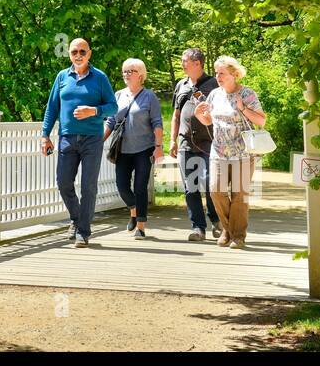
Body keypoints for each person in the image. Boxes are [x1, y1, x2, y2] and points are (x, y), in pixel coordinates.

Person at [41, 37, 120, 248]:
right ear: (69, 54)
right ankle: (76, 219)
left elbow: (113, 107)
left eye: (82, 52)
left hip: (92, 139)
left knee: (88, 187)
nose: (78, 55)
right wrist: (45, 135)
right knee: (63, 182)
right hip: (67, 138)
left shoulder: (99, 78)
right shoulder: (62, 77)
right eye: (74, 52)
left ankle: (83, 232)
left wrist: (93, 111)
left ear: (89, 54)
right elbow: (52, 108)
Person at [194, 56, 267, 249]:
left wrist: (243, 109)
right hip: (218, 152)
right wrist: (199, 115)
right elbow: (209, 121)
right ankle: (227, 229)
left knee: (239, 196)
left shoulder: (247, 93)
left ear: (234, 74)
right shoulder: (215, 95)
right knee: (216, 191)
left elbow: (261, 121)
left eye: (222, 73)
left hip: (242, 154)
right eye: (217, 73)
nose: (218, 77)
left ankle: (238, 236)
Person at [106, 58, 163, 239]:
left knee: (140, 187)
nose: (126, 75)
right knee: (122, 186)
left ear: (140, 75)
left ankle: (140, 226)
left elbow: (157, 123)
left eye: (130, 71)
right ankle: (133, 209)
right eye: (124, 71)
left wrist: (159, 146)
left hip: (144, 149)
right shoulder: (118, 95)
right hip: (122, 149)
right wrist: (98, 140)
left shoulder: (149, 97)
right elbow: (111, 120)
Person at [170, 48, 221, 241]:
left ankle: (216, 220)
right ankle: (198, 227)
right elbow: (175, 115)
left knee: (210, 184)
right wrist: (172, 140)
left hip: (210, 143)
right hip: (185, 143)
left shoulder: (214, 85)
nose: (182, 64)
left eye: (185, 61)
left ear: (197, 63)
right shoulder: (181, 85)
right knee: (190, 186)